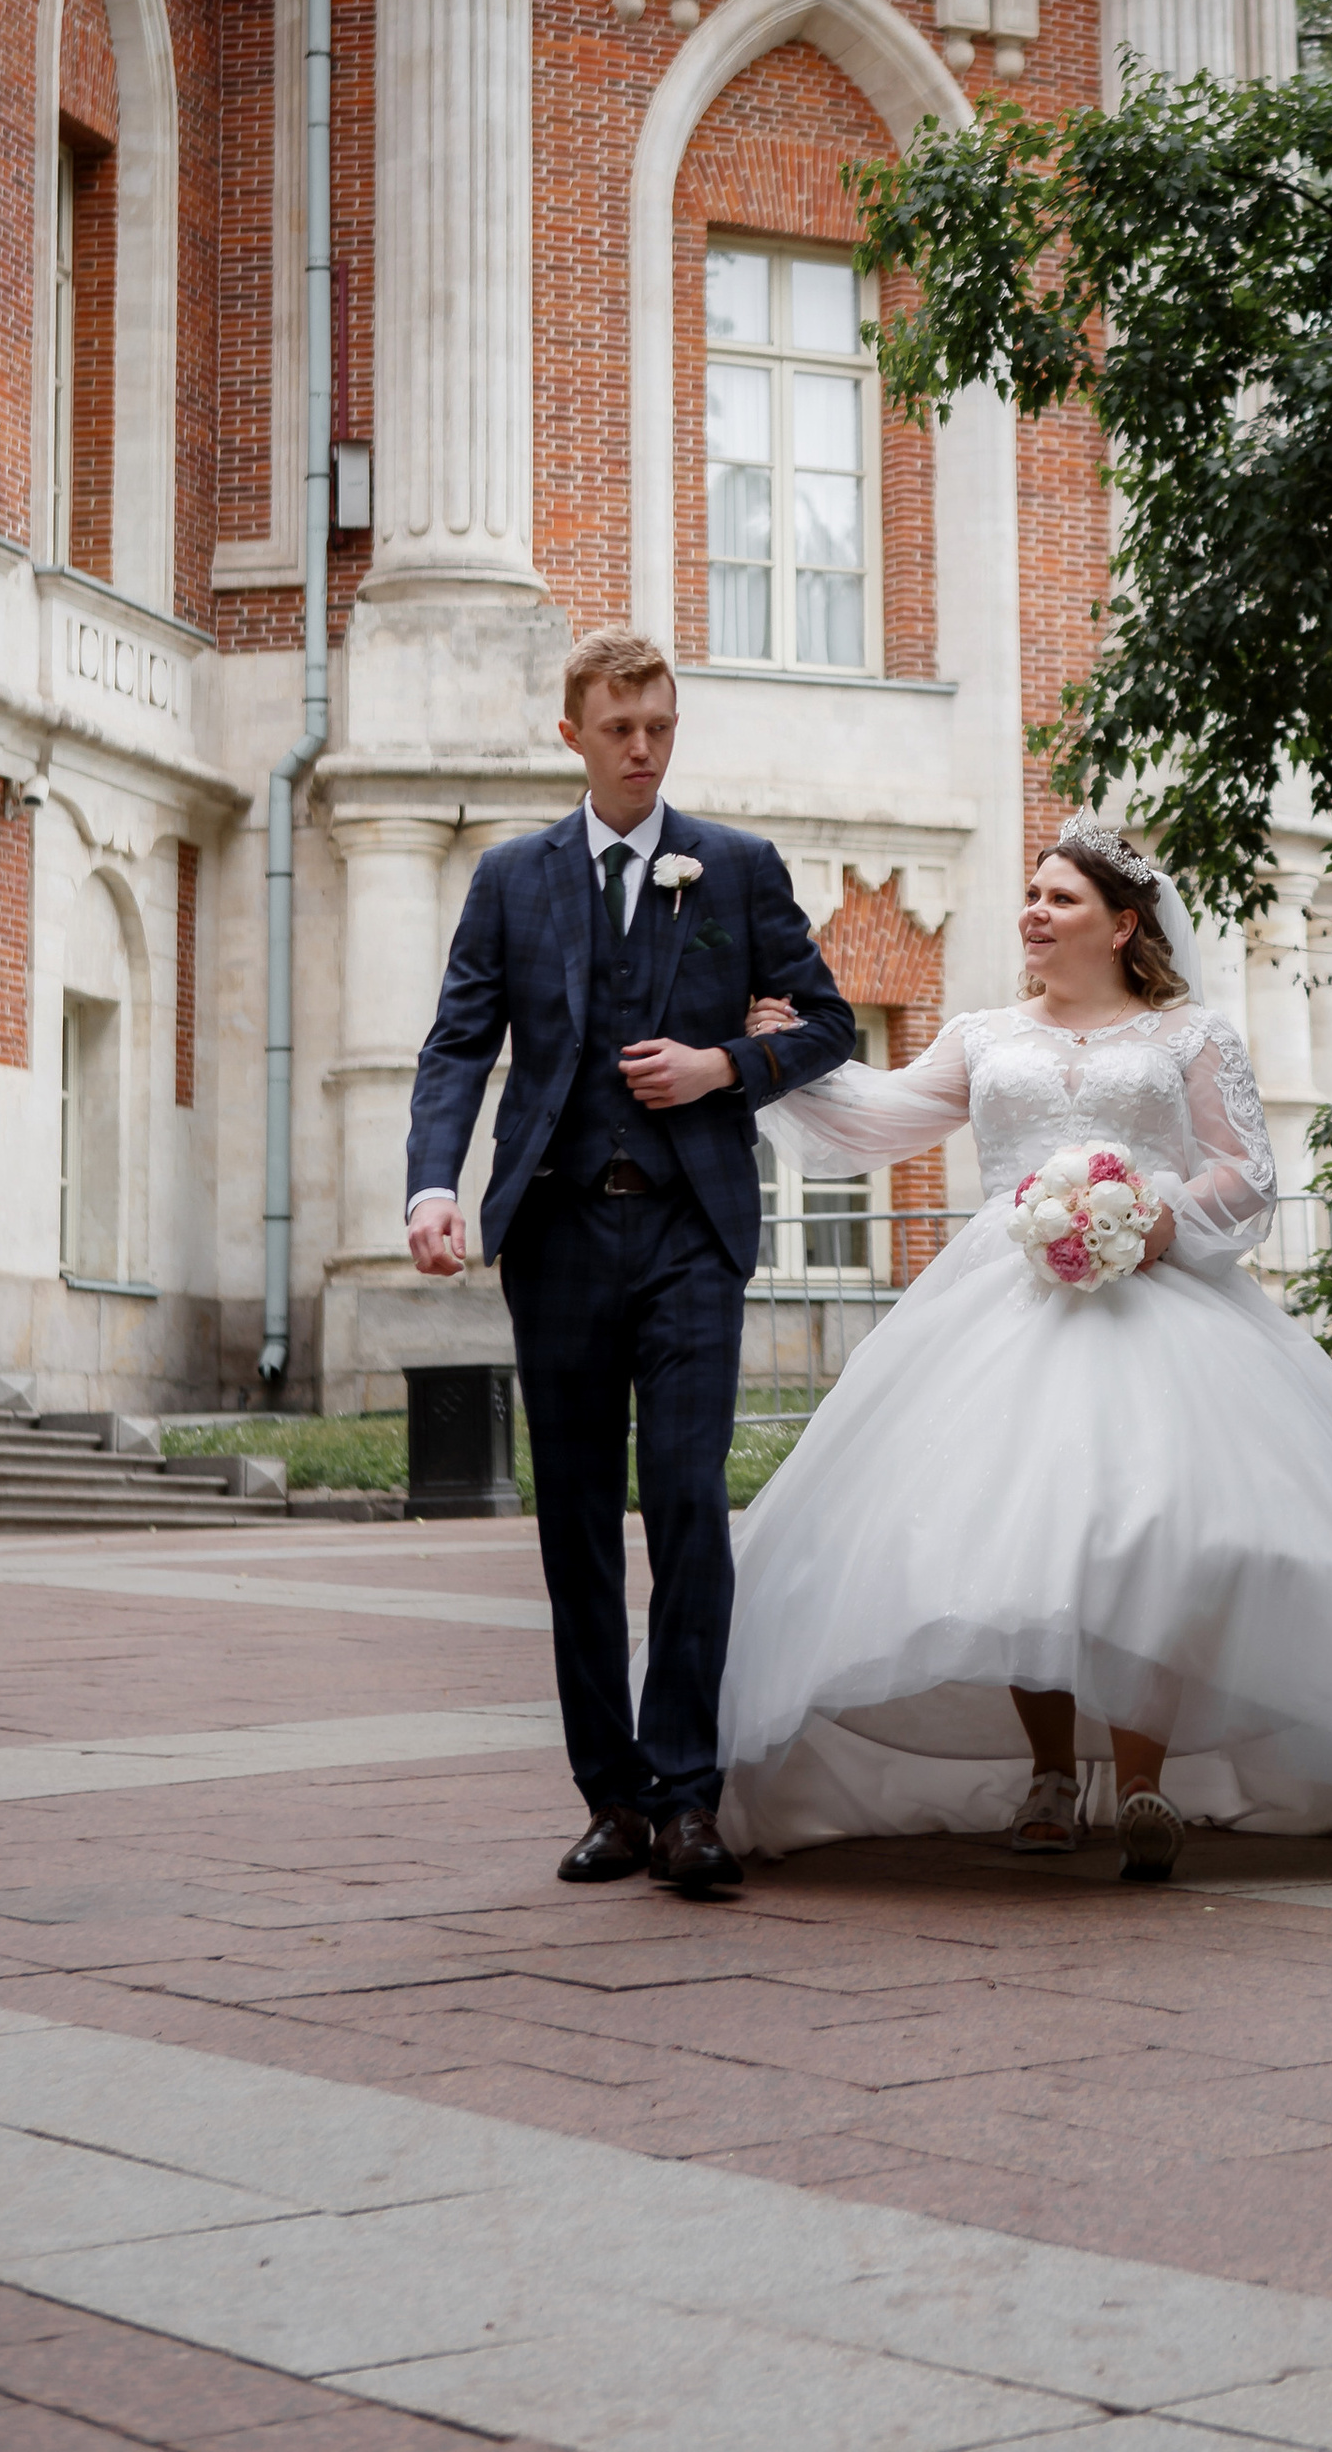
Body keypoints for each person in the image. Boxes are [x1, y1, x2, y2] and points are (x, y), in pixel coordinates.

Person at [719, 817, 1332, 1879]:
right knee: (1014, 1538)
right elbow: (878, 1116)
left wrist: (1149, 1213)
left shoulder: (1191, 1036)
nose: (1034, 913)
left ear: (1123, 925)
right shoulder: (984, 1035)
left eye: (1060, 899)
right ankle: (1048, 1778)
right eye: (1031, 896)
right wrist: (780, 1056)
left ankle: (1141, 1785)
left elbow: (1244, 1174)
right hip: (1001, 1309)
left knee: (1156, 1537)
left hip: (1157, 1302)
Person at [403, 628, 853, 1898]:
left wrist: (723, 1068)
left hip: (687, 1230)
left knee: (689, 1501)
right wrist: (436, 1184)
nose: (644, 748)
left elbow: (823, 1021)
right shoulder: (511, 879)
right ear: (573, 735)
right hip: (551, 1229)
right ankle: (612, 1797)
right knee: (576, 1526)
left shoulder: (738, 871)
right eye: (619, 729)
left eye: (660, 725)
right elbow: (458, 1047)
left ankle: (688, 1794)